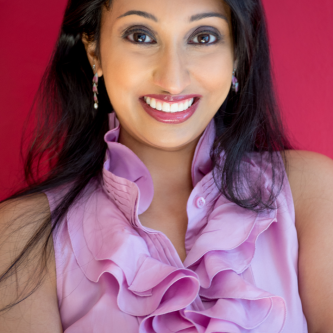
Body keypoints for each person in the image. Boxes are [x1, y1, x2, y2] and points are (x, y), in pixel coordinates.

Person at [1, 0, 333, 332]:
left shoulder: (311, 195)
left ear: (238, 51)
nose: (172, 81)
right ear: (94, 50)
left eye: (203, 37)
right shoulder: (22, 237)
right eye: (141, 35)